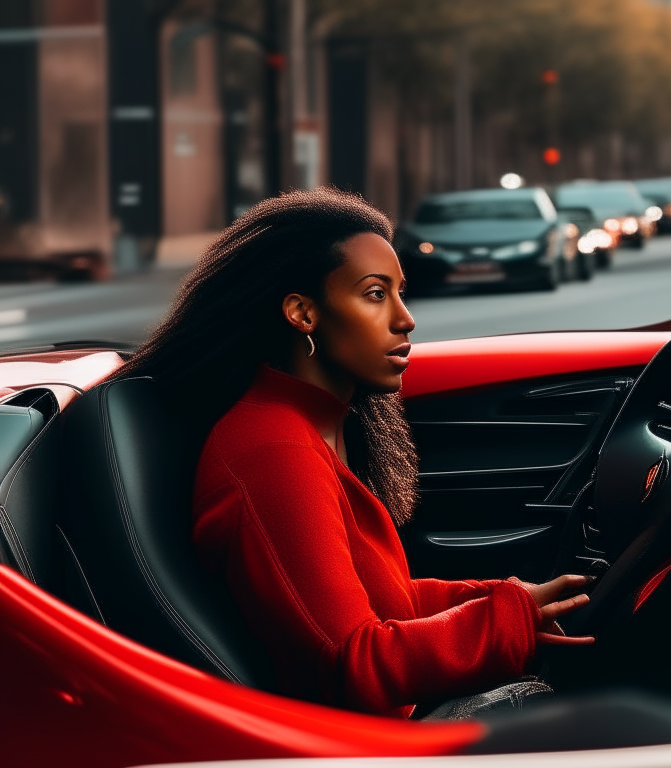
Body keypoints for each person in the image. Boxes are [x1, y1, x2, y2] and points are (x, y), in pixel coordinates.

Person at [113, 188, 592, 719]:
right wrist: (506, 620)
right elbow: (350, 661)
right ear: (302, 313)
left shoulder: (309, 426)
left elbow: (382, 602)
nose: (405, 319)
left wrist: (509, 599)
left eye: (400, 293)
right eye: (373, 294)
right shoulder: (273, 454)